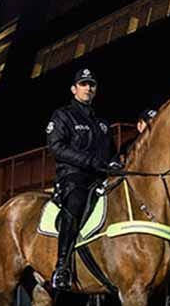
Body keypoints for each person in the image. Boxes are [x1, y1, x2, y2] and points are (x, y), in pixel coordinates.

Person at [46, 68, 121, 290]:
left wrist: (116, 164)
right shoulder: (62, 115)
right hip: (73, 178)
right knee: (76, 203)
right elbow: (56, 147)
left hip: (100, 179)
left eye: (92, 84)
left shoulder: (103, 124)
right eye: (83, 84)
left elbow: (112, 153)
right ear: (74, 89)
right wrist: (89, 161)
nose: (88, 88)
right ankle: (62, 266)